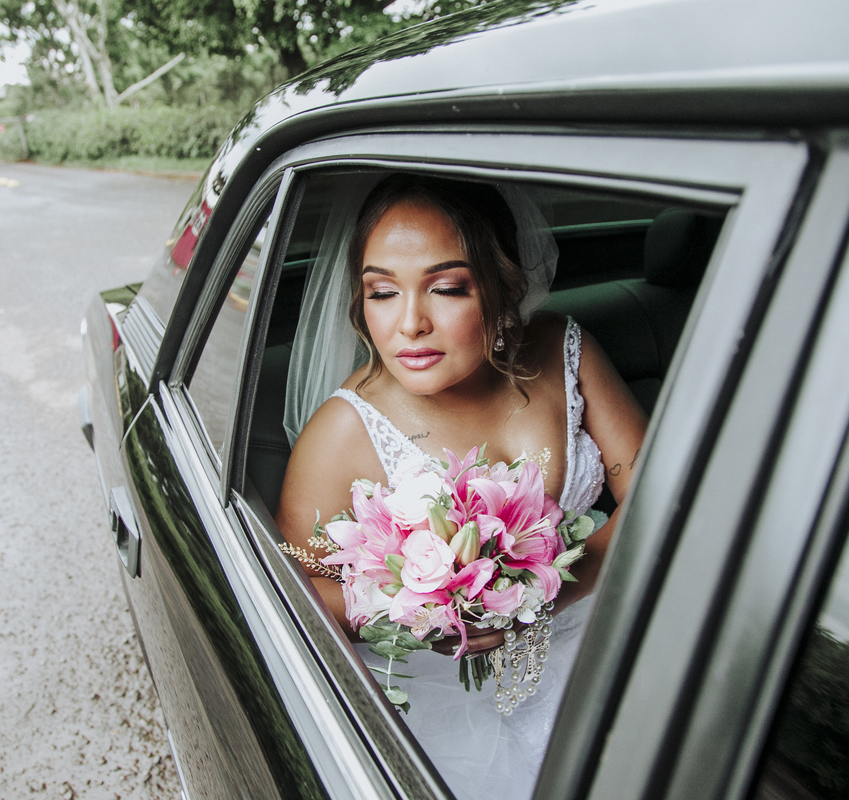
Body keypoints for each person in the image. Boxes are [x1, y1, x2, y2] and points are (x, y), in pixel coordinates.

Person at [275, 174, 648, 798]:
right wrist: (423, 608)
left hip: (599, 636)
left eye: (446, 288)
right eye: (382, 292)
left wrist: (542, 593)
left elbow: (658, 497)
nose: (409, 324)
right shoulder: (341, 432)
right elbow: (297, 594)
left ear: (504, 287)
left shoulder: (564, 349)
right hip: (445, 705)